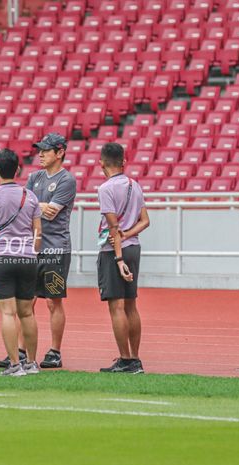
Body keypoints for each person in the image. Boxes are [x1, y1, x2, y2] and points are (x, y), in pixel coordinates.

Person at [0, 133, 77, 369]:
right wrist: (37, 207)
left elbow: (50, 212)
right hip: (33, 248)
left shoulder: (66, 180)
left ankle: (55, 351)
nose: (40, 154)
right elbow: (29, 207)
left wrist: (34, 206)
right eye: (39, 150)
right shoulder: (34, 177)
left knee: (53, 301)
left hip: (56, 249)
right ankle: (21, 351)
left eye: (46, 150)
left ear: (59, 152)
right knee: (26, 302)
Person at [0, 149, 42, 376]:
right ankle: (32, 363)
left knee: (8, 313)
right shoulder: (31, 196)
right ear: (18, 169)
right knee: (27, 313)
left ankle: (15, 364)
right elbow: (38, 232)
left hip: (2, 257)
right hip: (27, 258)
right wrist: (32, 253)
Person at [96, 142, 150, 374]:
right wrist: (128, 235)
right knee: (131, 304)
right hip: (133, 247)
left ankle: (125, 358)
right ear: (123, 162)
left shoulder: (105, 189)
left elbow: (113, 228)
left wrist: (118, 259)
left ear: (101, 163)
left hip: (114, 252)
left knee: (116, 306)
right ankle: (135, 358)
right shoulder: (134, 185)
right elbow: (145, 221)